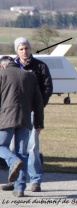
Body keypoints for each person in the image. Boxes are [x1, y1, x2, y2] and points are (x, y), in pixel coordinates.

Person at [1, 37, 53, 192]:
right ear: (17, 50)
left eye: (27, 48)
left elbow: (47, 88)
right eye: (21, 49)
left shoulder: (40, 66)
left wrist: (37, 108)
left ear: (30, 49)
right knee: (13, 147)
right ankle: (16, 181)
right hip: (10, 112)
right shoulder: (10, 65)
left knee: (33, 147)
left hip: (29, 111)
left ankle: (36, 179)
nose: (24, 51)